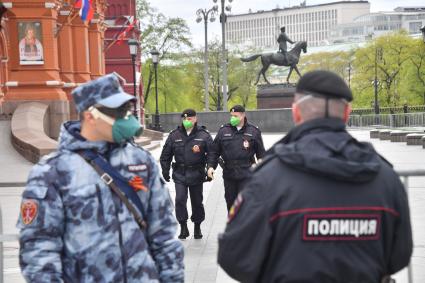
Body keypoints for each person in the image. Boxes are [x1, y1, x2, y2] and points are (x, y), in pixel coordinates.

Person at [217, 70, 413, 283]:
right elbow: (399, 256)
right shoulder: (385, 177)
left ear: (296, 113)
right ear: (346, 114)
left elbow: (234, 257)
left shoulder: (269, 179)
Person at [17, 74, 184, 282]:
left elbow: (164, 235)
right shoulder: (52, 172)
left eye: (127, 111)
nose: (127, 118)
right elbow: (38, 252)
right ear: (90, 115)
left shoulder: (141, 162)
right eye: (118, 112)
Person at [160, 109, 213, 239]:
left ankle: (197, 226)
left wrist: (210, 167)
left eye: (189, 119)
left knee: (197, 201)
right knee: (180, 199)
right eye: (184, 119)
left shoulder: (204, 135)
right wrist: (165, 170)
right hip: (180, 173)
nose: (186, 121)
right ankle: (183, 226)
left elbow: (212, 153)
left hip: (197, 173)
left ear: (195, 119)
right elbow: (165, 155)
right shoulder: (174, 135)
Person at [208, 105, 265, 212]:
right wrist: (211, 167)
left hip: (247, 172)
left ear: (243, 115)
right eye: (231, 116)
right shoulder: (223, 131)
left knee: (245, 203)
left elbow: (261, 154)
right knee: (231, 203)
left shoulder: (253, 131)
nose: (232, 118)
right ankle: (234, 226)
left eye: (235, 116)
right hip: (229, 173)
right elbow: (214, 151)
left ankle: (245, 227)